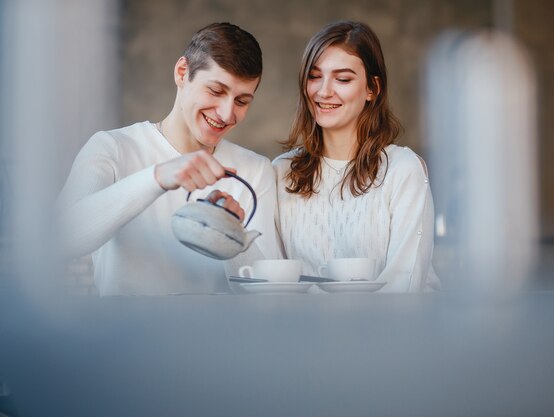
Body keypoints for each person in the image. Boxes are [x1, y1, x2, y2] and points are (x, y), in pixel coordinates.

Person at [57, 23, 279, 296]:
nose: (225, 113)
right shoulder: (112, 147)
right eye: (216, 91)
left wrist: (234, 237)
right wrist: (157, 177)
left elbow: (271, 290)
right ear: (182, 72)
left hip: (219, 336)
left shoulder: (255, 170)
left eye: (242, 101)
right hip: (125, 336)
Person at [273, 20, 439, 292]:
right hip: (304, 331)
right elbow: (274, 281)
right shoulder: (281, 172)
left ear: (372, 89)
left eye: (343, 79)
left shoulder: (402, 169)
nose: (323, 91)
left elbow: (405, 282)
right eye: (314, 76)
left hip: (392, 330)